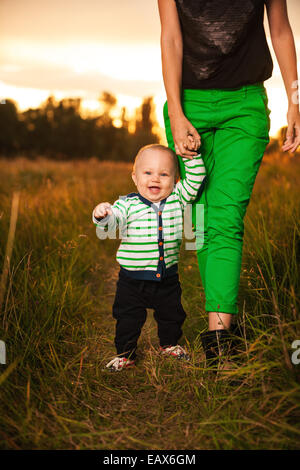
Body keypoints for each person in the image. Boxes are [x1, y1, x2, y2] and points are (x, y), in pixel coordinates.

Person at [158, 0, 300, 365]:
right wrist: (175, 113)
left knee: (225, 217)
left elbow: (280, 28)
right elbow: (171, 36)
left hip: (245, 105)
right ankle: (220, 329)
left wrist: (295, 100)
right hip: (188, 105)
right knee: (201, 220)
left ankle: (219, 338)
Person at [92, 144, 206, 371]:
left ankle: (170, 344)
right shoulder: (127, 204)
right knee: (127, 317)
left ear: (175, 180)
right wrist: (103, 215)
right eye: (148, 173)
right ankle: (125, 354)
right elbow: (114, 221)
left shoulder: (178, 198)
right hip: (132, 280)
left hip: (167, 276)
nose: (155, 179)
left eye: (164, 174)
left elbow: (196, 180)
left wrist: (191, 156)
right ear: (135, 177)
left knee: (172, 314)